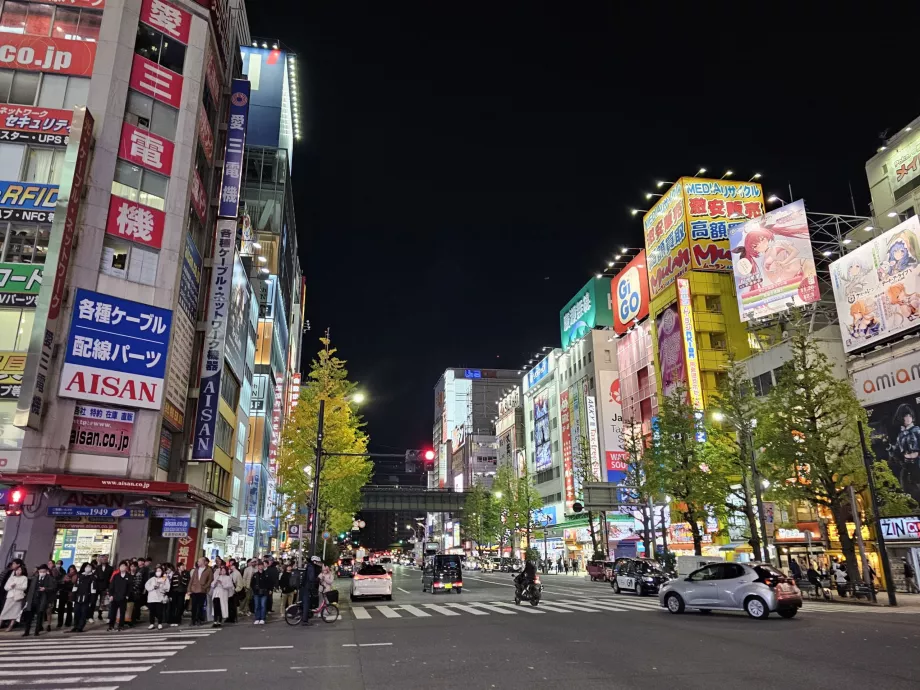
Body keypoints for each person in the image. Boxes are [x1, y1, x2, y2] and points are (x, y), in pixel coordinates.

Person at [20, 564, 54, 637]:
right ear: (38, 571)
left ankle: (37, 631)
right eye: (41, 571)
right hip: (33, 599)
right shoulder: (35, 578)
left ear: (46, 571)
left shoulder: (50, 578)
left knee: (40, 616)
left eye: (44, 571)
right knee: (29, 616)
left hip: (42, 600)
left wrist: (45, 589)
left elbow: (53, 588)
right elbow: (30, 590)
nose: (42, 572)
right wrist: (28, 600)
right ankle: (27, 631)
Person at [68, 563, 96, 633]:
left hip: (86, 598)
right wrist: (73, 596)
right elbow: (75, 586)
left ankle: (80, 627)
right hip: (78, 597)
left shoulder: (93, 577)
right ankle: (75, 626)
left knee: (83, 613)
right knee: (76, 612)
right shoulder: (80, 576)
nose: (88, 568)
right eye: (87, 567)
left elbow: (93, 589)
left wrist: (92, 600)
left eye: (89, 567)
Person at [1, 563, 27, 631]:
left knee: (15, 612)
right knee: (4, 611)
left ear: (22, 571)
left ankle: (10, 626)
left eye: (20, 570)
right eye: (17, 570)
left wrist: (16, 586)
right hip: (10, 596)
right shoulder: (12, 577)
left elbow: (24, 587)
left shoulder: (24, 578)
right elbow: (5, 587)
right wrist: (11, 587)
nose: (18, 571)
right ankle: (1, 623)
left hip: (18, 597)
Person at [107, 561, 131, 631]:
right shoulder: (116, 576)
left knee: (122, 612)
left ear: (126, 567)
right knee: (113, 612)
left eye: (124, 566)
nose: (122, 567)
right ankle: (111, 625)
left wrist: (127, 595)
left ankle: (121, 626)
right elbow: (111, 586)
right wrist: (111, 595)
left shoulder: (128, 576)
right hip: (115, 597)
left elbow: (130, 587)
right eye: (121, 566)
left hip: (123, 597)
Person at [188, 557, 212, 626]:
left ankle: (199, 619)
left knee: (200, 606)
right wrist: (189, 589)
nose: (198, 563)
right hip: (194, 589)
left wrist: (205, 587)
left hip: (202, 590)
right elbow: (191, 580)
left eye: (199, 561)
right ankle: (193, 620)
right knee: (194, 606)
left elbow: (210, 580)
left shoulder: (208, 570)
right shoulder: (196, 569)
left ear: (203, 562)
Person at [145, 566, 170, 630]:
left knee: (159, 611)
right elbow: (147, 586)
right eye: (157, 571)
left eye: (160, 571)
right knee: (152, 612)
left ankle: (159, 623)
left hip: (160, 598)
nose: (158, 572)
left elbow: (167, 588)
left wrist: (161, 587)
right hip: (152, 597)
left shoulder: (164, 578)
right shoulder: (152, 579)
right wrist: (153, 587)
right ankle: (151, 623)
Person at [299, 556, 321, 627]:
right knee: (306, 604)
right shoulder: (311, 567)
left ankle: (304, 617)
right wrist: (316, 580)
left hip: (304, 587)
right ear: (314, 561)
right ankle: (305, 621)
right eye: (317, 562)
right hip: (307, 587)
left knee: (305, 603)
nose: (317, 563)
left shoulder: (308, 566)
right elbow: (311, 578)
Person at [56, 565, 77, 629]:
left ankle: (68, 622)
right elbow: (60, 583)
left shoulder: (76, 576)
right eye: (70, 569)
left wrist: (69, 581)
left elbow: (74, 584)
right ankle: (60, 622)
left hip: (70, 593)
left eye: (72, 569)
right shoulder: (65, 575)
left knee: (69, 609)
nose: (71, 571)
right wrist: (64, 581)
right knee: (61, 608)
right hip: (63, 593)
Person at [169, 562, 189, 627]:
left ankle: (178, 620)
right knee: (174, 606)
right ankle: (172, 620)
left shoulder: (186, 573)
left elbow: (187, 583)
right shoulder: (174, 574)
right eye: (182, 566)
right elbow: (171, 585)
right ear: (178, 567)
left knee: (180, 606)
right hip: (175, 592)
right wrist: (170, 594)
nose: (183, 567)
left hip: (182, 592)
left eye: (184, 566)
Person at [94, 555, 113, 621]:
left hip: (105, 586)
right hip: (97, 586)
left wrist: (109, 587)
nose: (104, 560)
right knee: (94, 600)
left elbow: (111, 578)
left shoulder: (110, 568)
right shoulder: (97, 567)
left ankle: (100, 614)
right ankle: (91, 615)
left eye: (105, 559)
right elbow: (95, 576)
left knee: (103, 601)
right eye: (102, 559)